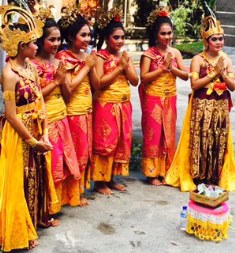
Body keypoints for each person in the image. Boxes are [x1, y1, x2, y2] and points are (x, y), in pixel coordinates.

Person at [0, 5, 57, 252]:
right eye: (33, 43)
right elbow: (12, 116)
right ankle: (22, 227)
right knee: (21, 178)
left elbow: (39, 100)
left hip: (36, 127)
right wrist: (32, 141)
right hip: (18, 134)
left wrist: (43, 131)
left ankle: (36, 219)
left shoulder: (30, 67)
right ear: (21, 45)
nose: (37, 47)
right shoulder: (8, 74)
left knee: (38, 175)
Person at [165, 13, 235, 191]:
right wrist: (213, 73)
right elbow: (194, 85)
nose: (219, 42)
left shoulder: (226, 60)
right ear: (206, 41)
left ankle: (214, 176)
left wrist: (223, 74)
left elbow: (232, 87)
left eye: (221, 38)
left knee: (218, 140)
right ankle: (198, 176)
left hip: (220, 106)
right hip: (202, 105)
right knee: (201, 139)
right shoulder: (198, 59)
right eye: (214, 39)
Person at [32, 10, 82, 216]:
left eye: (58, 39)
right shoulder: (32, 64)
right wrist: (56, 81)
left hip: (61, 116)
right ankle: (44, 208)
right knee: (48, 165)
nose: (56, 43)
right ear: (40, 40)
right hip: (43, 121)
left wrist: (63, 81)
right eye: (51, 39)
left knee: (61, 162)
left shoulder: (58, 63)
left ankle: (56, 203)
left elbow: (67, 94)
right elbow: (33, 97)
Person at [139, 7, 188, 186]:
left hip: (170, 98)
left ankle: (165, 170)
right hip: (153, 98)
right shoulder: (149, 54)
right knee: (154, 134)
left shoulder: (175, 53)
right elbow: (143, 78)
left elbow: (185, 75)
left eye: (169, 33)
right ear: (156, 34)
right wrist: (161, 68)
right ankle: (152, 173)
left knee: (168, 134)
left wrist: (171, 68)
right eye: (163, 34)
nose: (167, 37)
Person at [92, 8, 139, 195]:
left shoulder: (124, 56)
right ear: (106, 38)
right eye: (116, 37)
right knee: (105, 142)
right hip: (106, 104)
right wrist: (119, 67)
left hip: (124, 104)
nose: (120, 41)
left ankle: (111, 178)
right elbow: (99, 83)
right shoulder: (99, 57)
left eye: (122, 37)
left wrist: (126, 65)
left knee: (120, 141)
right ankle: (99, 181)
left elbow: (135, 81)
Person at [57, 9, 99, 205]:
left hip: (87, 110)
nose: (87, 38)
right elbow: (69, 87)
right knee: (74, 154)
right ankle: (70, 194)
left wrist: (92, 65)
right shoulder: (63, 58)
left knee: (84, 153)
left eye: (89, 34)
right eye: (83, 35)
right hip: (73, 111)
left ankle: (78, 191)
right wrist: (88, 67)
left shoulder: (86, 56)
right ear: (70, 36)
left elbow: (96, 86)